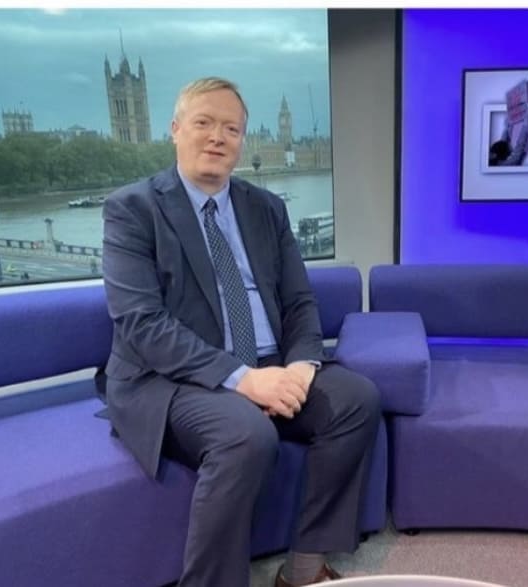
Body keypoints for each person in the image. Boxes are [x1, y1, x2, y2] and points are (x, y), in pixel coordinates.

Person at [96, 77, 381, 587]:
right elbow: (142, 324)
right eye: (203, 123)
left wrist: (299, 366)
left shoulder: (265, 208)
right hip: (172, 378)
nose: (217, 137)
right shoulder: (132, 209)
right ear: (176, 129)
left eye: (231, 128)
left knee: (355, 398)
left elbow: (298, 301)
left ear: (242, 140)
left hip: (269, 361)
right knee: (246, 435)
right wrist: (242, 379)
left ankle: (304, 570)